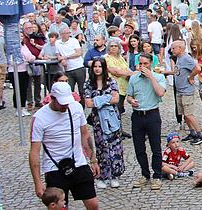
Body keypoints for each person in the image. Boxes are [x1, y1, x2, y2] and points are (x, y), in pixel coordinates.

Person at [29, 82, 99, 210]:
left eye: (67, 102)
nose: (65, 106)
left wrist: (93, 159)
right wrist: (37, 182)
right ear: (52, 98)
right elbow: (34, 152)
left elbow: (85, 135)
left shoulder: (76, 108)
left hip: (78, 163)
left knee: (93, 204)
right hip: (54, 168)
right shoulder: (39, 118)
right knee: (58, 207)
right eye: (62, 103)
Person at [126, 53, 167, 190]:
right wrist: (131, 100)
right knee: (139, 147)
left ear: (151, 64)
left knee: (155, 146)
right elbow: (129, 96)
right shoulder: (133, 78)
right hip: (137, 115)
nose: (142, 66)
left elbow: (160, 93)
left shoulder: (159, 77)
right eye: (140, 64)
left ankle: (157, 175)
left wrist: (151, 77)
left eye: (146, 64)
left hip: (152, 114)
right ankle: (145, 174)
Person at [83, 58, 124, 190]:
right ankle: (103, 175)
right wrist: (106, 99)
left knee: (115, 146)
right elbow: (88, 103)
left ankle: (114, 175)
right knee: (102, 147)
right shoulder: (88, 84)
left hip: (112, 117)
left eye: (100, 66)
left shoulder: (111, 82)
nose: (97, 69)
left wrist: (98, 100)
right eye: (95, 66)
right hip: (98, 120)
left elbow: (116, 99)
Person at [171, 40, 202, 145]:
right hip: (180, 90)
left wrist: (190, 77)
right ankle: (192, 132)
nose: (172, 50)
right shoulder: (179, 58)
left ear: (180, 48)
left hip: (186, 91)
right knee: (185, 115)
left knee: (189, 114)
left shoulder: (186, 58)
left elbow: (198, 68)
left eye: (173, 48)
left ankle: (200, 134)